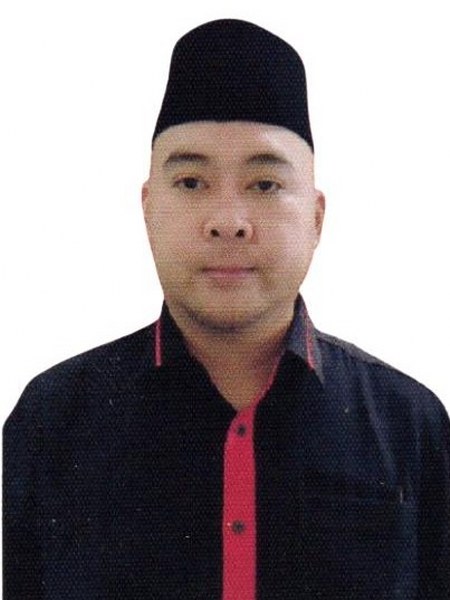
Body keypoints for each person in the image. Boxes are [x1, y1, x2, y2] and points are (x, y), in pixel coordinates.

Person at [3, 18, 450, 600]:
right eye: (192, 183)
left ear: (316, 218)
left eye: (264, 185)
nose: (228, 221)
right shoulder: (50, 422)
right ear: (148, 209)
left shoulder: (411, 427)